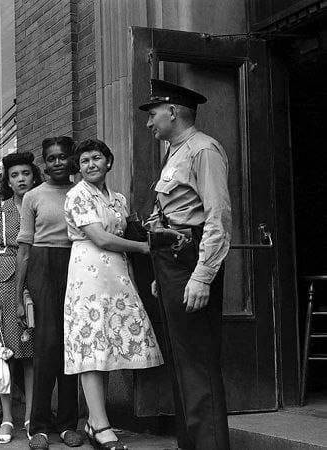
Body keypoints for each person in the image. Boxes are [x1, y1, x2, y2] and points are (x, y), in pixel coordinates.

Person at [140, 79, 231, 450]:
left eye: (153, 114)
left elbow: (218, 217)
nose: (149, 122)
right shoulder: (175, 151)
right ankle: (190, 444)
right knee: (181, 360)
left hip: (190, 259)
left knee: (197, 361)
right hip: (171, 261)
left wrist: (202, 276)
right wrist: (161, 272)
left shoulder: (203, 150)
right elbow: (172, 212)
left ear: (173, 111)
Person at [64, 139, 164, 448]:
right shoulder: (77, 195)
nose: (91, 164)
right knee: (91, 345)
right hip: (89, 274)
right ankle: (100, 424)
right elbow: (101, 238)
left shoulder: (118, 199)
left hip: (117, 275)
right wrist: (143, 247)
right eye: (84, 161)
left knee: (105, 347)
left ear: (109, 162)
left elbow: (121, 235)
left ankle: (96, 422)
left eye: (96, 158)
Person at [15, 136, 83, 449]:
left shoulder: (82, 192)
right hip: (42, 266)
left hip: (76, 264)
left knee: (71, 345)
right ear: (44, 162)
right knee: (46, 345)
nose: (57, 163)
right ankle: (39, 426)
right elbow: (24, 249)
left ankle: (68, 424)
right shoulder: (33, 196)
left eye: (62, 157)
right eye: (51, 158)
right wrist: (19, 295)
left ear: (72, 159)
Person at [0, 151, 42, 444]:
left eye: (26, 174)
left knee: (31, 354)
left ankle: (31, 417)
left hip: (37, 276)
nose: (21, 179)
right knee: (4, 353)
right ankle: (7, 418)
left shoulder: (42, 203)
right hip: (5, 281)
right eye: (14, 175)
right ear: (7, 181)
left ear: (34, 176)